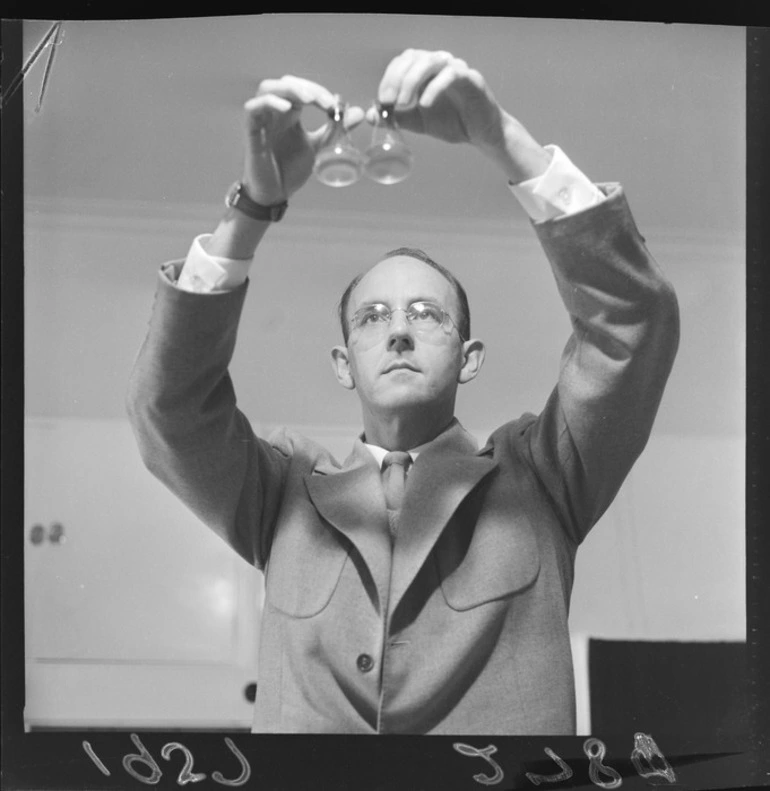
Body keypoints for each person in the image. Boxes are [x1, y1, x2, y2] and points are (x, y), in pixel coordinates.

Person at [126, 49, 680, 734]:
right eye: (373, 317)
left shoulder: (544, 477)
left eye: (426, 315)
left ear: (469, 357)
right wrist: (251, 210)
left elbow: (632, 323)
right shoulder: (279, 495)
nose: (398, 332)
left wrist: (501, 139)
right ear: (342, 363)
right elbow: (169, 411)